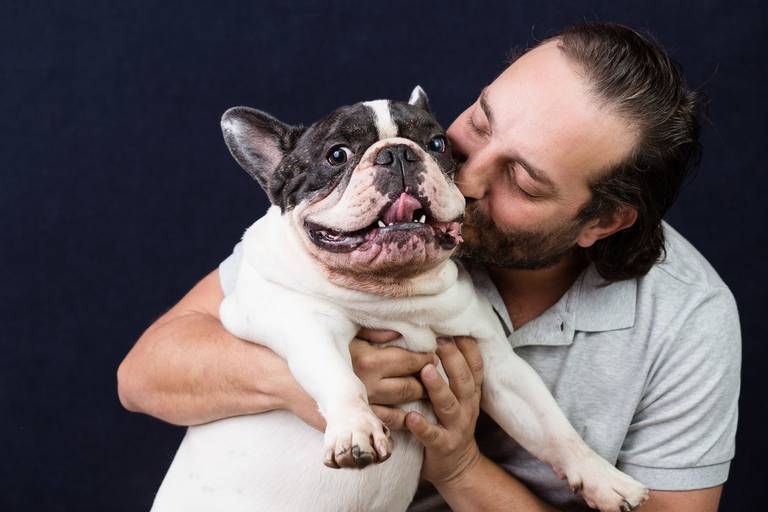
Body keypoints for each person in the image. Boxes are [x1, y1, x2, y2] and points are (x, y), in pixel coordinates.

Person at [117, 22, 740, 512]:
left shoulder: (686, 320)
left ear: (604, 221)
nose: (462, 177)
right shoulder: (344, 236)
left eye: (521, 181)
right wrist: (314, 383)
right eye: (473, 126)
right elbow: (142, 376)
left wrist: (460, 465)